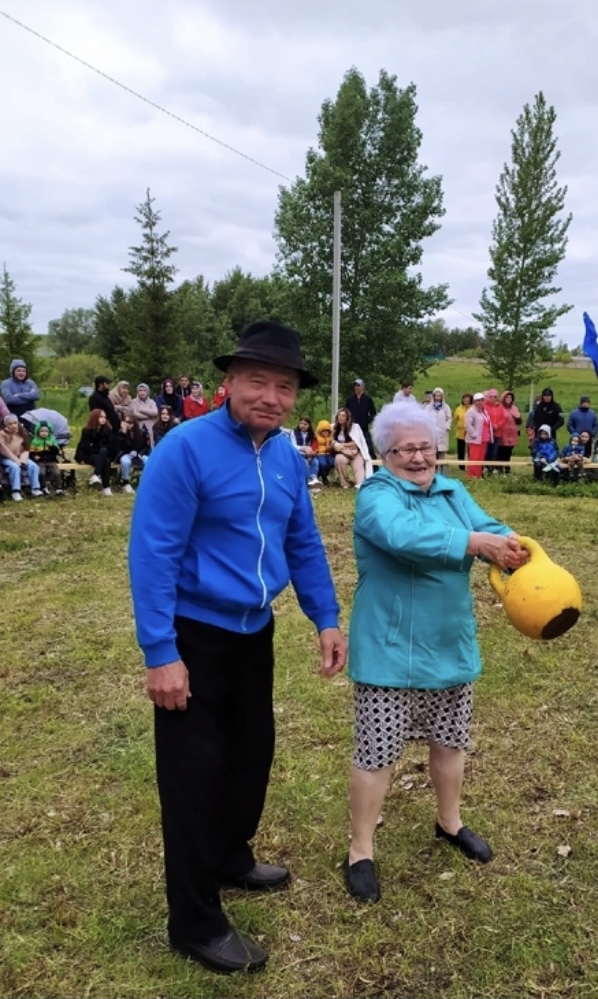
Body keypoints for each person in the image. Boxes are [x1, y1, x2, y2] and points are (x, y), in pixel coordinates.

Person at [128, 320, 346, 974]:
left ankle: (228, 856)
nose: (272, 396)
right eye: (258, 380)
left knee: (251, 758)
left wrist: (326, 616)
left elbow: (301, 542)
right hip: (194, 638)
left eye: (284, 386)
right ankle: (193, 921)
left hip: (255, 634)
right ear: (229, 381)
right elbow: (153, 552)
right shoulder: (185, 450)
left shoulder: (286, 455)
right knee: (192, 781)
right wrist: (160, 651)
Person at [343, 401, 528, 903]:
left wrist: (509, 541)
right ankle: (361, 849)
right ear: (386, 454)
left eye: (426, 446)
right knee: (377, 752)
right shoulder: (376, 496)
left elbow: (487, 524)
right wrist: (475, 542)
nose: (419, 457)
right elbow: (403, 536)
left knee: (450, 742)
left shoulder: (452, 491)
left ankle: (449, 823)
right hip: (390, 650)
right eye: (406, 449)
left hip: (449, 644)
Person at [0, 413, 43, 500]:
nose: (13, 425)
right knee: (14, 467)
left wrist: (22, 459)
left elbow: (26, 448)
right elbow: (4, 450)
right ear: (6, 425)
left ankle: (35, 489)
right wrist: (16, 460)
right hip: (6, 457)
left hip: (20, 456)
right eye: (10, 424)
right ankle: (16, 491)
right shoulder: (2, 434)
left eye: (15, 423)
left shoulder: (22, 433)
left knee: (33, 466)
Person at [75, 409, 116, 495]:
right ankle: (105, 486)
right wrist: (98, 448)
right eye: (101, 417)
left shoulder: (107, 430)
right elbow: (85, 447)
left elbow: (110, 446)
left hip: (101, 455)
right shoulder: (86, 430)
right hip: (88, 455)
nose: (103, 419)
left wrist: (96, 447)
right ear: (95, 418)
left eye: (104, 417)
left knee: (106, 459)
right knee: (103, 453)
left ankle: (96, 476)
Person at [332, 408, 373, 489]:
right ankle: (345, 482)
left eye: (343, 415)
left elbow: (355, 444)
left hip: (355, 453)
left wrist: (341, 445)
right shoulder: (334, 428)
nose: (340, 417)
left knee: (359, 478)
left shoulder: (355, 427)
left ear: (347, 417)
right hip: (343, 453)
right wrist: (340, 446)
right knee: (339, 460)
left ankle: (359, 482)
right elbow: (332, 442)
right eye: (339, 415)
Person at [114, 413, 151, 493]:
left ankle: (144, 482)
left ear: (134, 423)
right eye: (126, 422)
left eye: (130, 422)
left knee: (148, 460)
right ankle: (125, 482)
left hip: (139, 454)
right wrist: (123, 434)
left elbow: (146, 447)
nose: (128, 424)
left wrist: (140, 453)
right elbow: (120, 448)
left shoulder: (141, 433)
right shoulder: (120, 433)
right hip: (126, 454)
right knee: (125, 461)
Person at [28, 420, 64, 496]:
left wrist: (51, 446)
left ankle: (59, 488)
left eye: (46, 431)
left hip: (51, 460)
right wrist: (34, 457)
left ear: (49, 432)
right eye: (42, 431)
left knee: (56, 473)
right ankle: (43, 487)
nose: (44, 433)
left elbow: (57, 451)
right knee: (41, 473)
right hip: (40, 461)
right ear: (38, 432)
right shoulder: (35, 441)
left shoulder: (52, 440)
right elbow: (31, 452)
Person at [345, 379, 378, 459]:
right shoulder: (350, 400)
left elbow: (374, 414)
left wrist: (367, 420)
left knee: (369, 449)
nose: (356, 388)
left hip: (364, 429)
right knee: (352, 447)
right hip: (353, 429)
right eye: (355, 386)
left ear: (362, 387)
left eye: (358, 386)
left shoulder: (368, 400)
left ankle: (375, 468)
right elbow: (346, 413)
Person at [464, 392, 492, 480]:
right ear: (474, 402)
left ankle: (478, 475)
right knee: (474, 458)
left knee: (481, 458)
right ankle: (471, 476)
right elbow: (468, 424)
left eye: (482, 400)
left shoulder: (484, 411)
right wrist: (474, 434)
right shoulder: (471, 411)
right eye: (478, 401)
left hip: (484, 438)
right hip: (475, 439)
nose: (480, 403)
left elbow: (487, 423)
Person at [290, 415, 322, 490]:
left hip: (309, 454)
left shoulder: (312, 434)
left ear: (309, 425)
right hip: (299, 454)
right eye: (301, 423)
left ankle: (313, 478)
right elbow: (293, 445)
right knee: (305, 464)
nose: (302, 426)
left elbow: (314, 445)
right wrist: (303, 448)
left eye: (305, 424)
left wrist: (311, 454)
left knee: (315, 462)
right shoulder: (294, 432)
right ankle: (307, 481)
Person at [423, 387, 452, 470]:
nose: (438, 398)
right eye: (436, 396)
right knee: (432, 453)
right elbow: (425, 418)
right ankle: (433, 472)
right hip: (432, 433)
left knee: (441, 454)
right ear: (433, 396)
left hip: (442, 433)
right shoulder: (428, 407)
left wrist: (447, 426)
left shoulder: (446, 407)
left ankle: (442, 473)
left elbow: (449, 418)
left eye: (439, 396)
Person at [498, 390, 522, 473]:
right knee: (501, 451)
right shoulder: (499, 407)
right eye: (507, 397)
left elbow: (519, 422)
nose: (508, 399)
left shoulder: (515, 408)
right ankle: (500, 468)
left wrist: (519, 417)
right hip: (502, 433)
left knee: (509, 451)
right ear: (503, 398)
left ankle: (507, 467)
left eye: (510, 397)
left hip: (512, 434)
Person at [453, 393, 473, 471]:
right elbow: (455, 419)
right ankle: (461, 466)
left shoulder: (473, 408)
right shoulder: (459, 408)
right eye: (464, 399)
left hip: (470, 432)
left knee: (470, 450)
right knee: (461, 449)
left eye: (467, 399)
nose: (466, 400)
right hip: (460, 432)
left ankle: (470, 465)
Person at [314, 418, 336, 484]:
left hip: (328, 453)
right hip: (320, 454)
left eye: (327, 431)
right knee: (323, 464)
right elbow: (314, 445)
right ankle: (324, 478)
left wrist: (331, 448)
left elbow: (333, 444)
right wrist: (316, 450)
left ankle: (324, 475)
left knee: (332, 463)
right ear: (320, 430)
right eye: (324, 431)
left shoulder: (330, 437)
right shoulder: (316, 437)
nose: (326, 433)